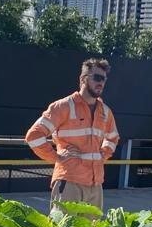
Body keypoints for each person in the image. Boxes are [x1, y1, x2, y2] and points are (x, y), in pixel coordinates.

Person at [25, 57, 119, 211]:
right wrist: (57, 157)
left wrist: (103, 155)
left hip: (95, 186)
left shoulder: (105, 112)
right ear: (83, 79)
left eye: (104, 79)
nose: (101, 83)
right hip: (69, 182)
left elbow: (113, 138)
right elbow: (34, 136)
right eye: (97, 77)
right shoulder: (63, 106)